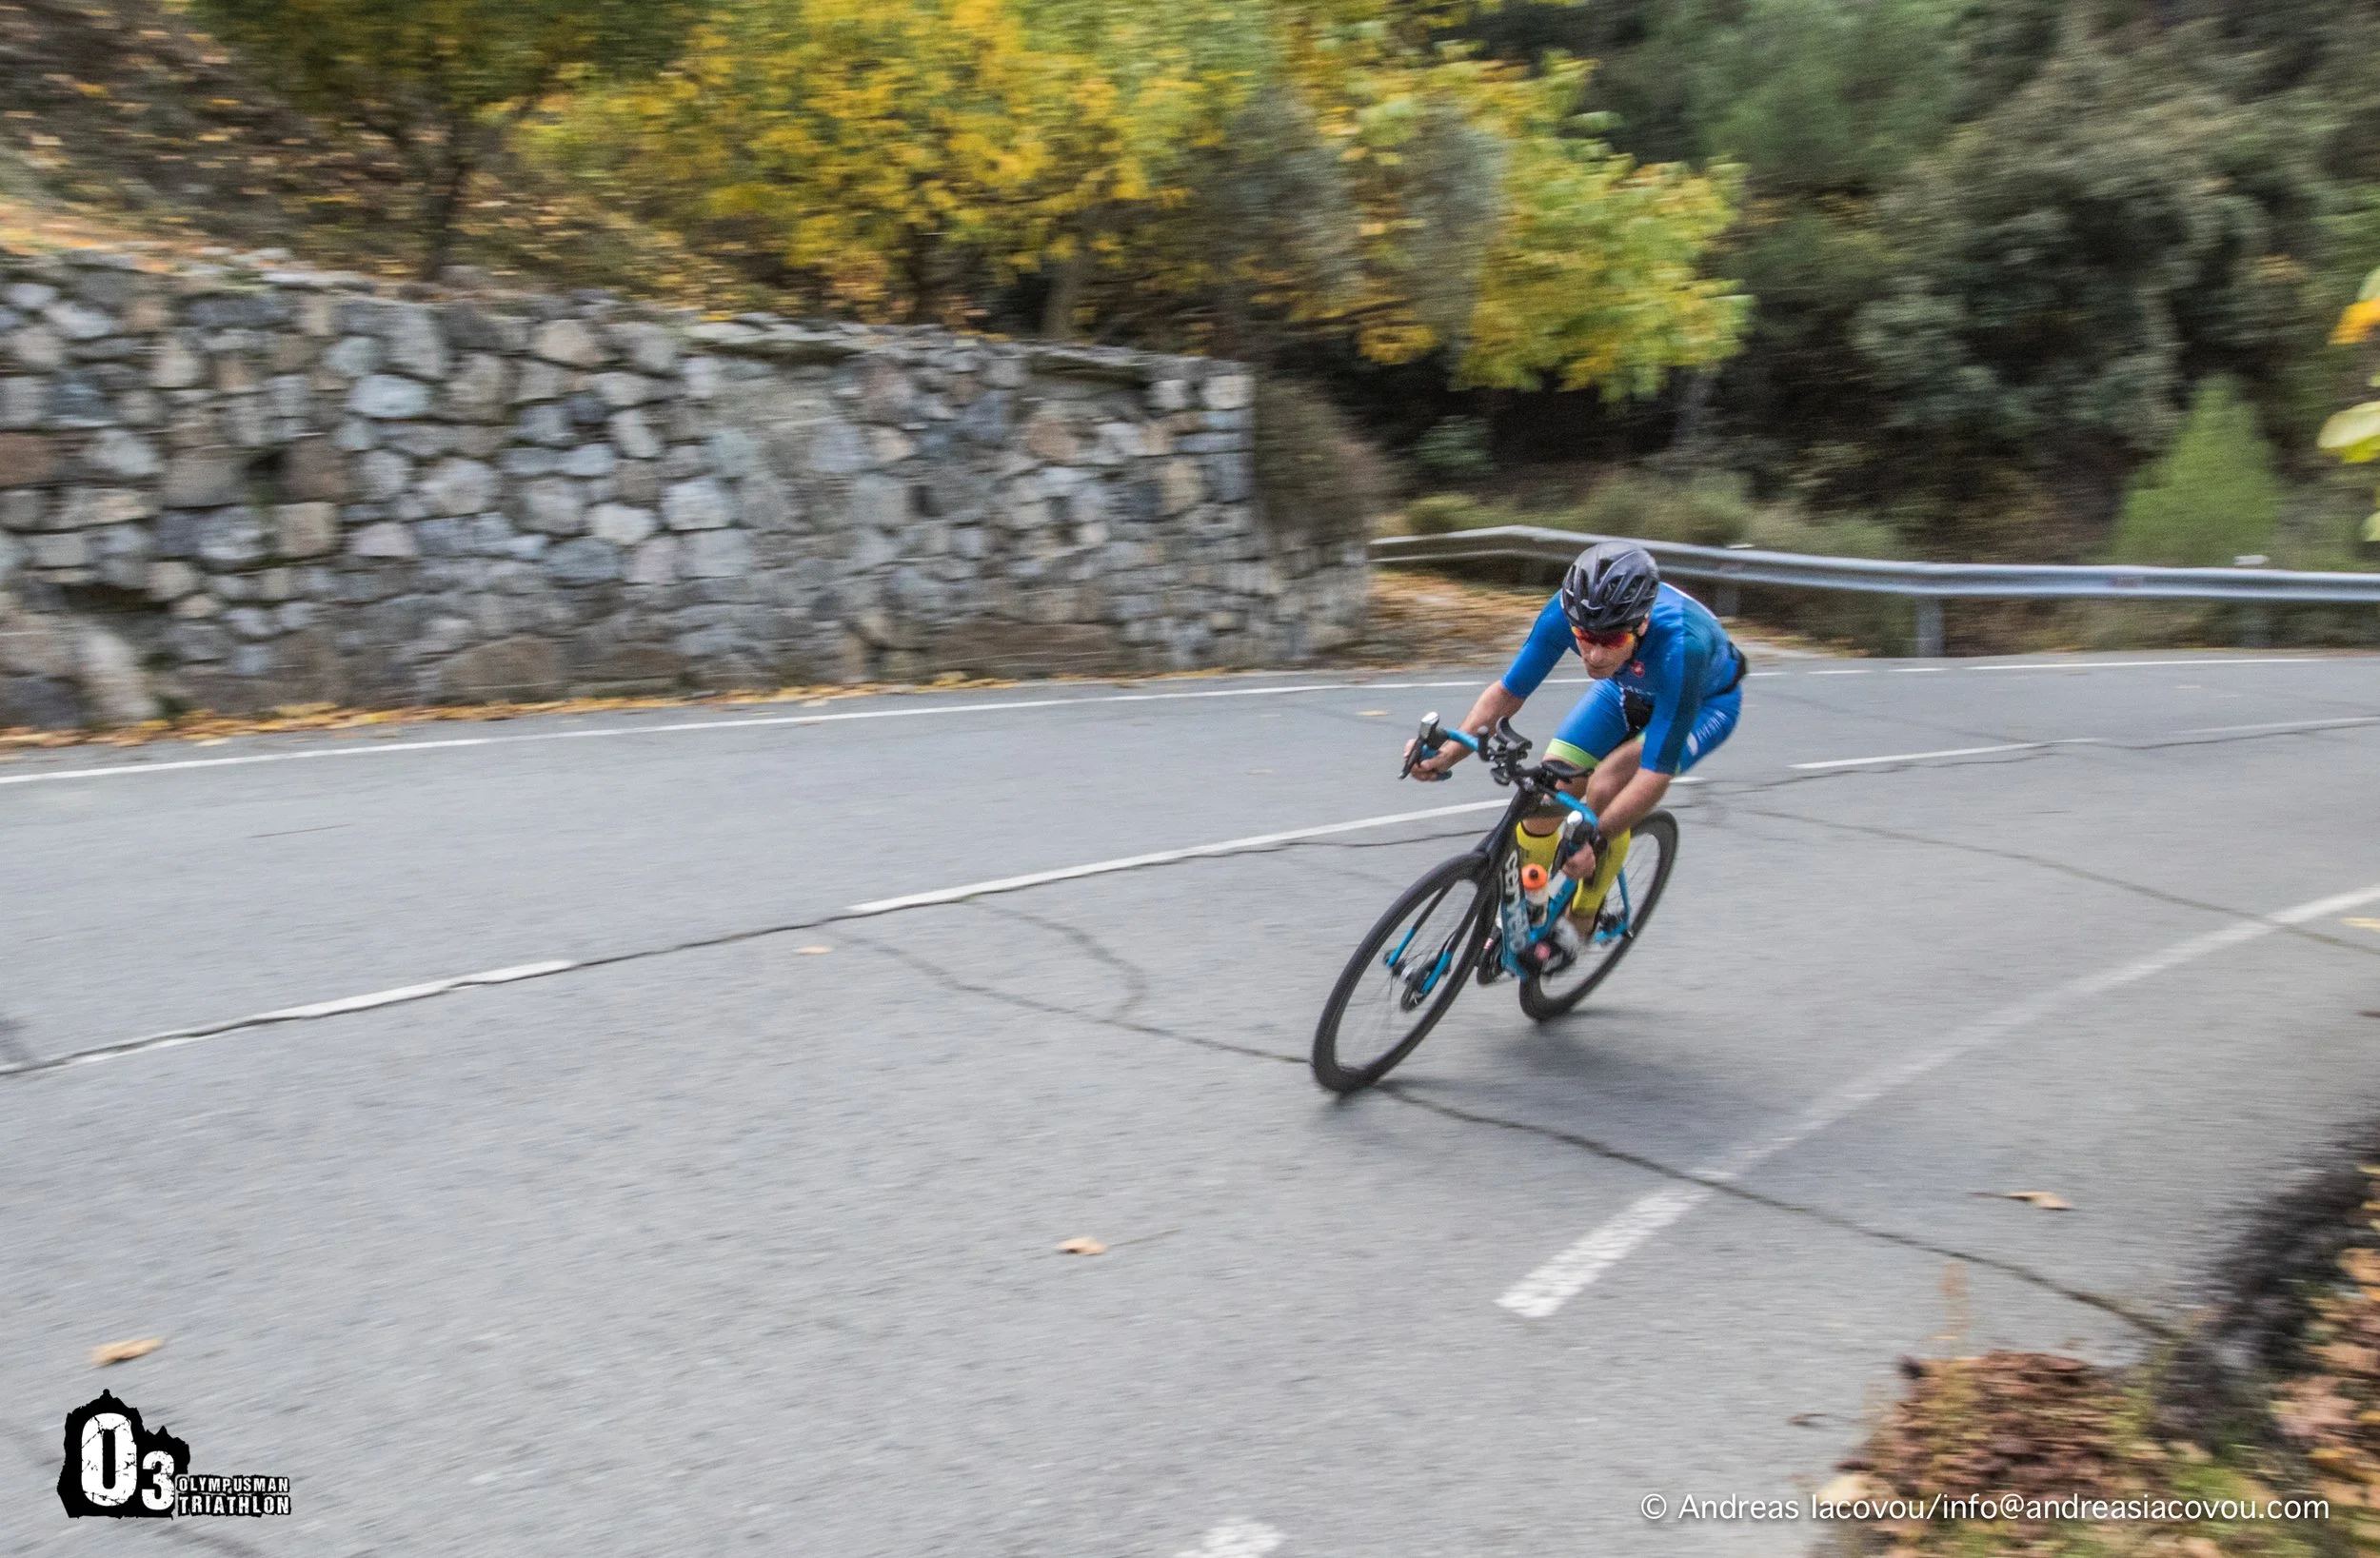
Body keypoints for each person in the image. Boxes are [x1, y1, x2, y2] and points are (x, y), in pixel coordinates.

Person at [1407, 541, 1746, 935]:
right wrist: (1446, 754)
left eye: (1611, 642)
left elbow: (1654, 775)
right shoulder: (1564, 614)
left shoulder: (1683, 647)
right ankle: (1531, 912)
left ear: (1642, 625)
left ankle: (1582, 916)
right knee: (1547, 792)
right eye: (1584, 637)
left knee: (1605, 788)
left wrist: (1596, 839)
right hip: (1624, 692)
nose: (1594, 655)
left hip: (1705, 704)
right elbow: (1508, 693)